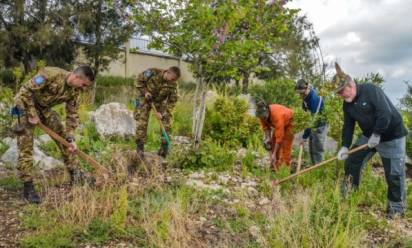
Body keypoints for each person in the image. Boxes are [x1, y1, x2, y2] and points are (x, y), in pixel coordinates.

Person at [334, 63, 408, 219]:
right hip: (369, 135)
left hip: (391, 134)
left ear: (351, 84)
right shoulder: (347, 104)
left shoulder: (370, 90)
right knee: (353, 159)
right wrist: (345, 146)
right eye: (338, 93)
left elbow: (385, 114)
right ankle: (350, 193)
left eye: (343, 91)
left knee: (394, 173)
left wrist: (377, 134)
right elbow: (348, 126)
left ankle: (396, 209)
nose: (341, 95)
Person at [13, 65, 95, 204]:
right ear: (76, 77)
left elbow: (72, 115)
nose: (84, 88)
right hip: (23, 106)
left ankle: (75, 174)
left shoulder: (75, 91)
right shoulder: (50, 74)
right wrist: (32, 113)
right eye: (84, 84)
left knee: (64, 139)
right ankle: (28, 188)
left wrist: (71, 138)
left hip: (44, 109)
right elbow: (25, 90)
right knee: (26, 145)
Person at [133, 66, 180, 162]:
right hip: (144, 98)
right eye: (172, 79)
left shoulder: (174, 85)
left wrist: (163, 114)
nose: (172, 81)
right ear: (167, 72)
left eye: (174, 80)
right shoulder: (153, 72)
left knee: (167, 120)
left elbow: (172, 102)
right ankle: (140, 149)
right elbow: (138, 81)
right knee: (142, 120)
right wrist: (145, 92)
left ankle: (164, 149)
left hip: (159, 101)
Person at [295, 79, 328, 165]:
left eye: (302, 92)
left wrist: (304, 137)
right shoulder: (305, 97)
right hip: (313, 124)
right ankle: (314, 167)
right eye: (299, 93)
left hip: (320, 125)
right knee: (311, 147)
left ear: (307, 88)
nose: (300, 95)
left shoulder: (314, 98)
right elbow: (306, 116)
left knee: (317, 148)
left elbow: (313, 120)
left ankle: (319, 170)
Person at [256, 100, 294, 171]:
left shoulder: (277, 115)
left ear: (267, 111)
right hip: (279, 124)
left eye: (264, 117)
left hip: (289, 122)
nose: (263, 118)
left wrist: (273, 154)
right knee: (273, 143)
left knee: (286, 145)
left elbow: (279, 139)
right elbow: (266, 128)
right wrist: (268, 139)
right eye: (262, 117)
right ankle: (274, 166)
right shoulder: (261, 115)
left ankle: (284, 169)